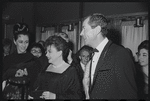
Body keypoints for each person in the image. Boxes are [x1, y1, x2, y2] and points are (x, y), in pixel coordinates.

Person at [80, 13, 137, 99]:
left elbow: (129, 94)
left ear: (97, 30)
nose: (81, 33)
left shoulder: (120, 53)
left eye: (84, 28)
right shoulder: (93, 53)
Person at [2, 23, 42, 99]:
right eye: (20, 42)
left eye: (26, 42)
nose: (24, 45)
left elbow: (37, 83)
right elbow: (3, 80)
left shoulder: (34, 60)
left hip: (27, 96)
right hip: (8, 95)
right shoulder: (7, 59)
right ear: (14, 41)